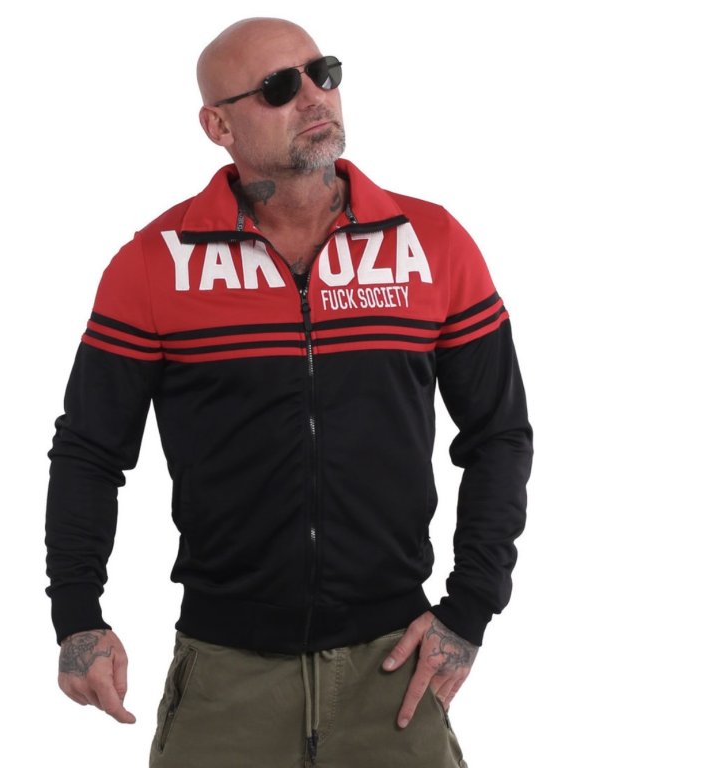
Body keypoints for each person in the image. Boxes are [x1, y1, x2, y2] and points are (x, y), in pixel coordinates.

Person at [46, 17, 532, 768]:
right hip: (225, 676)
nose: (313, 97)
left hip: (395, 672)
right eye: (278, 88)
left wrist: (469, 610)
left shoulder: (431, 243)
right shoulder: (154, 264)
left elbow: (498, 434)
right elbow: (89, 451)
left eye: (322, 73)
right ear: (218, 126)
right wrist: (78, 616)